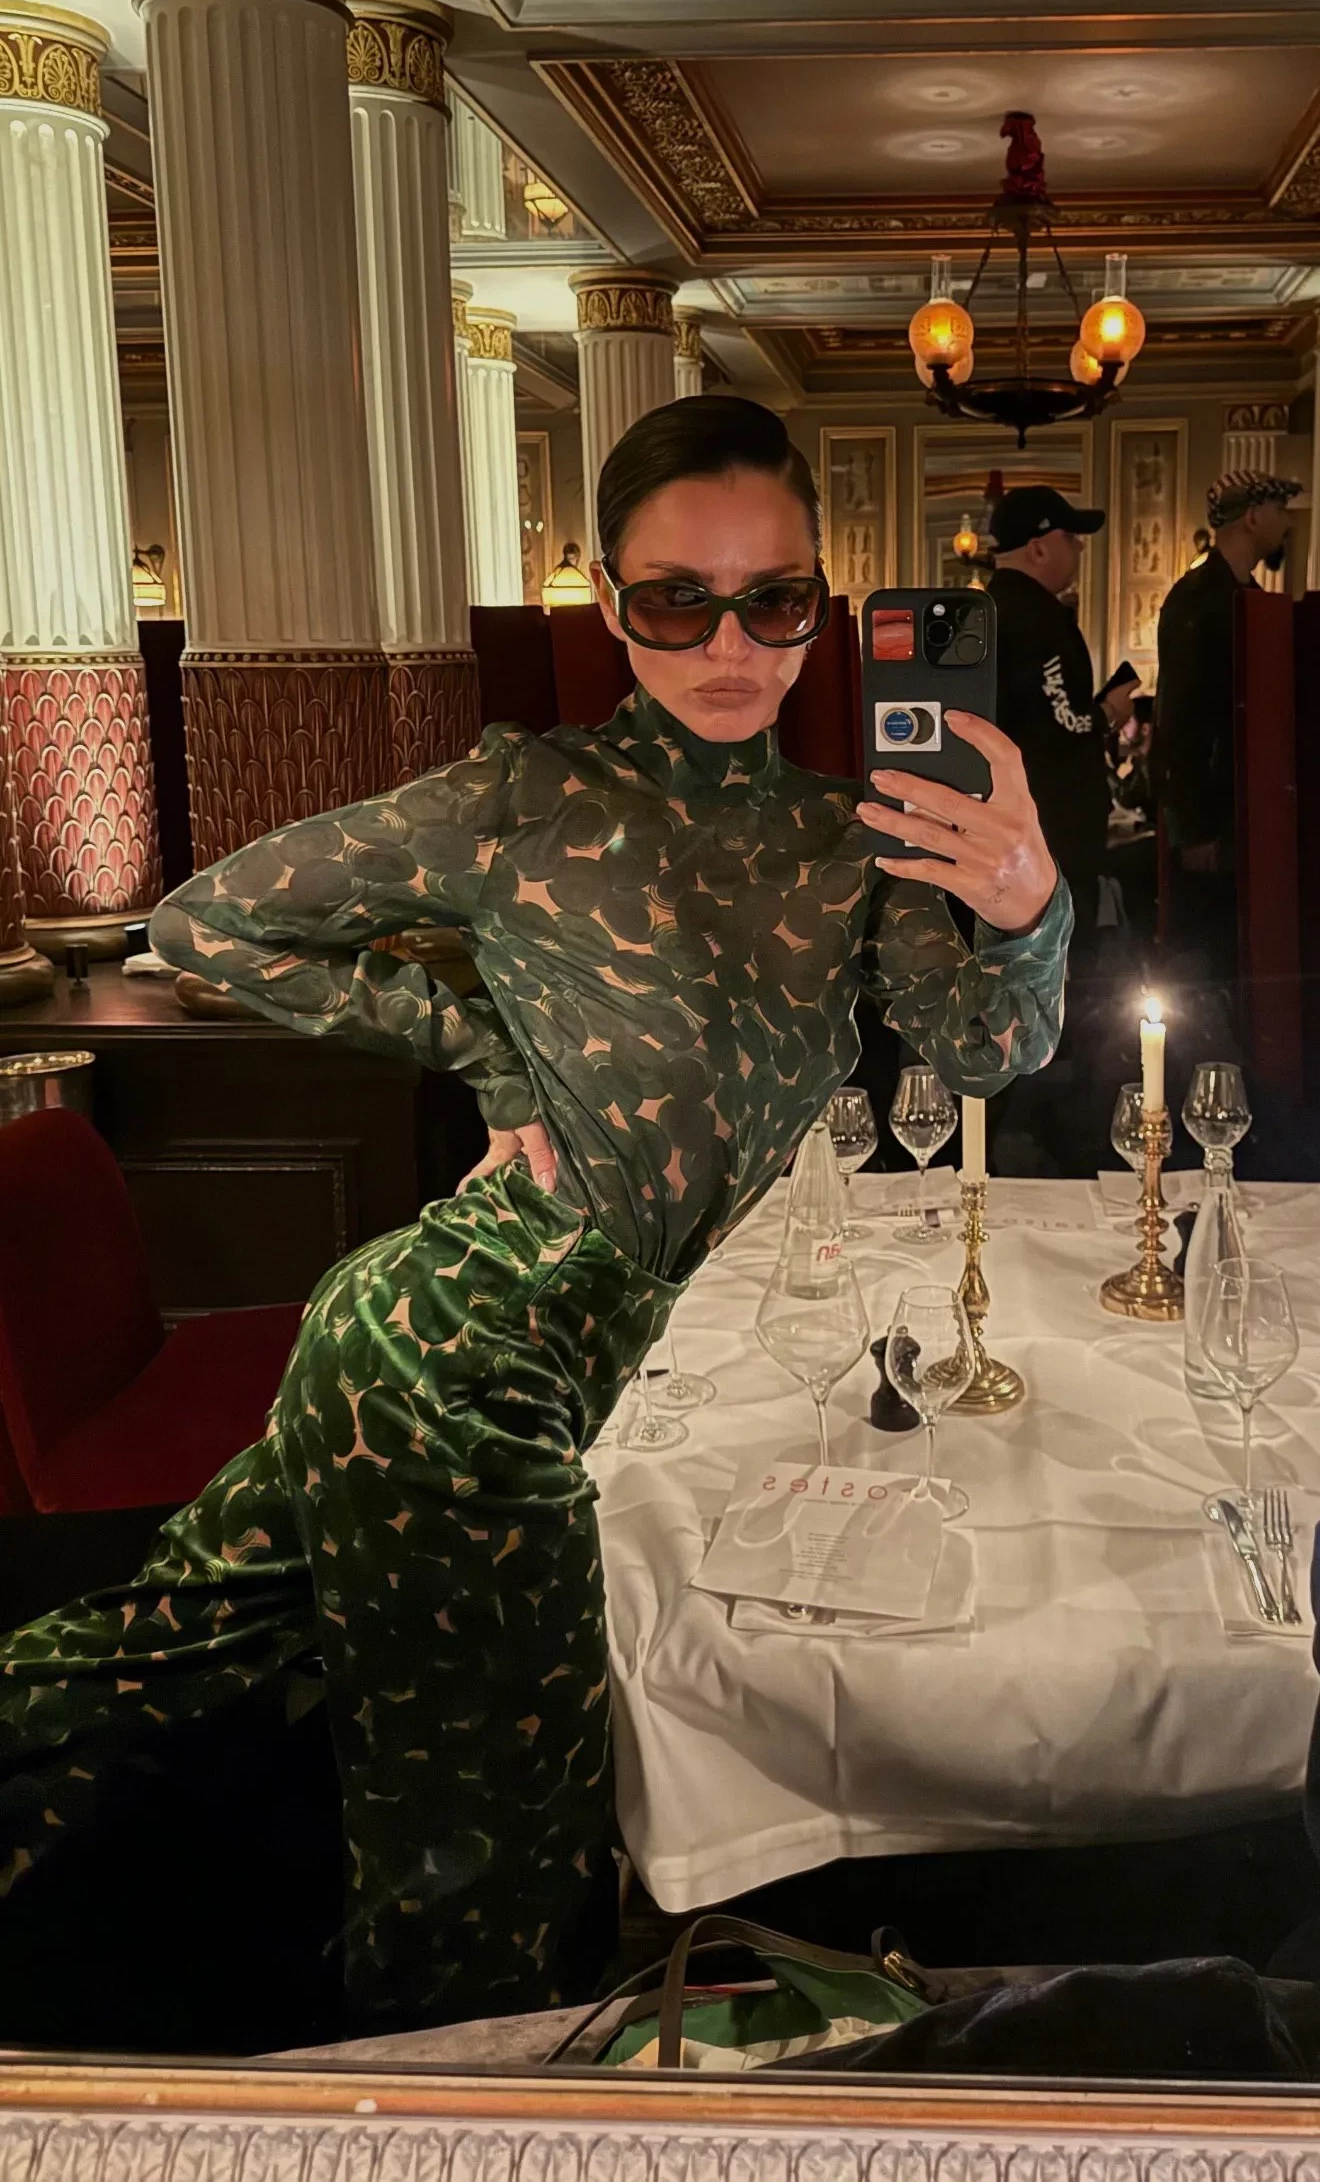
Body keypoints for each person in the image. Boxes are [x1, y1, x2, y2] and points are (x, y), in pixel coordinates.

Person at [0, 395, 1070, 2056]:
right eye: (678, 600)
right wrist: (486, 1048)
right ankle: (484, 2107)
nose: (730, 645)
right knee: (494, 1849)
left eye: (774, 600)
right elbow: (206, 921)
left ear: (823, 606)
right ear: (608, 600)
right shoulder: (525, 796)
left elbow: (991, 1050)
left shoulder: (852, 841)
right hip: (461, 1343)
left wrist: (1028, 910)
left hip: (588, 1346)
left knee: (155, 1653)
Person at [1152, 470, 1302, 979]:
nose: (1288, 523)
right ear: (1253, 517)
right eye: (1280, 510)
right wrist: (1194, 829)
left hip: (1246, 814)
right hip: (1211, 821)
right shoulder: (1197, 599)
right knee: (1204, 961)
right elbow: (1180, 718)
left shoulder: (1249, 599)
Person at [988, 483, 1133, 955]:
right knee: (1062, 957)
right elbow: (1061, 721)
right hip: (1055, 829)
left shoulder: (994, 610)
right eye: (1071, 537)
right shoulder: (1037, 620)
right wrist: (1109, 713)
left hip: (1015, 824)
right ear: (1038, 548)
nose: (1080, 548)